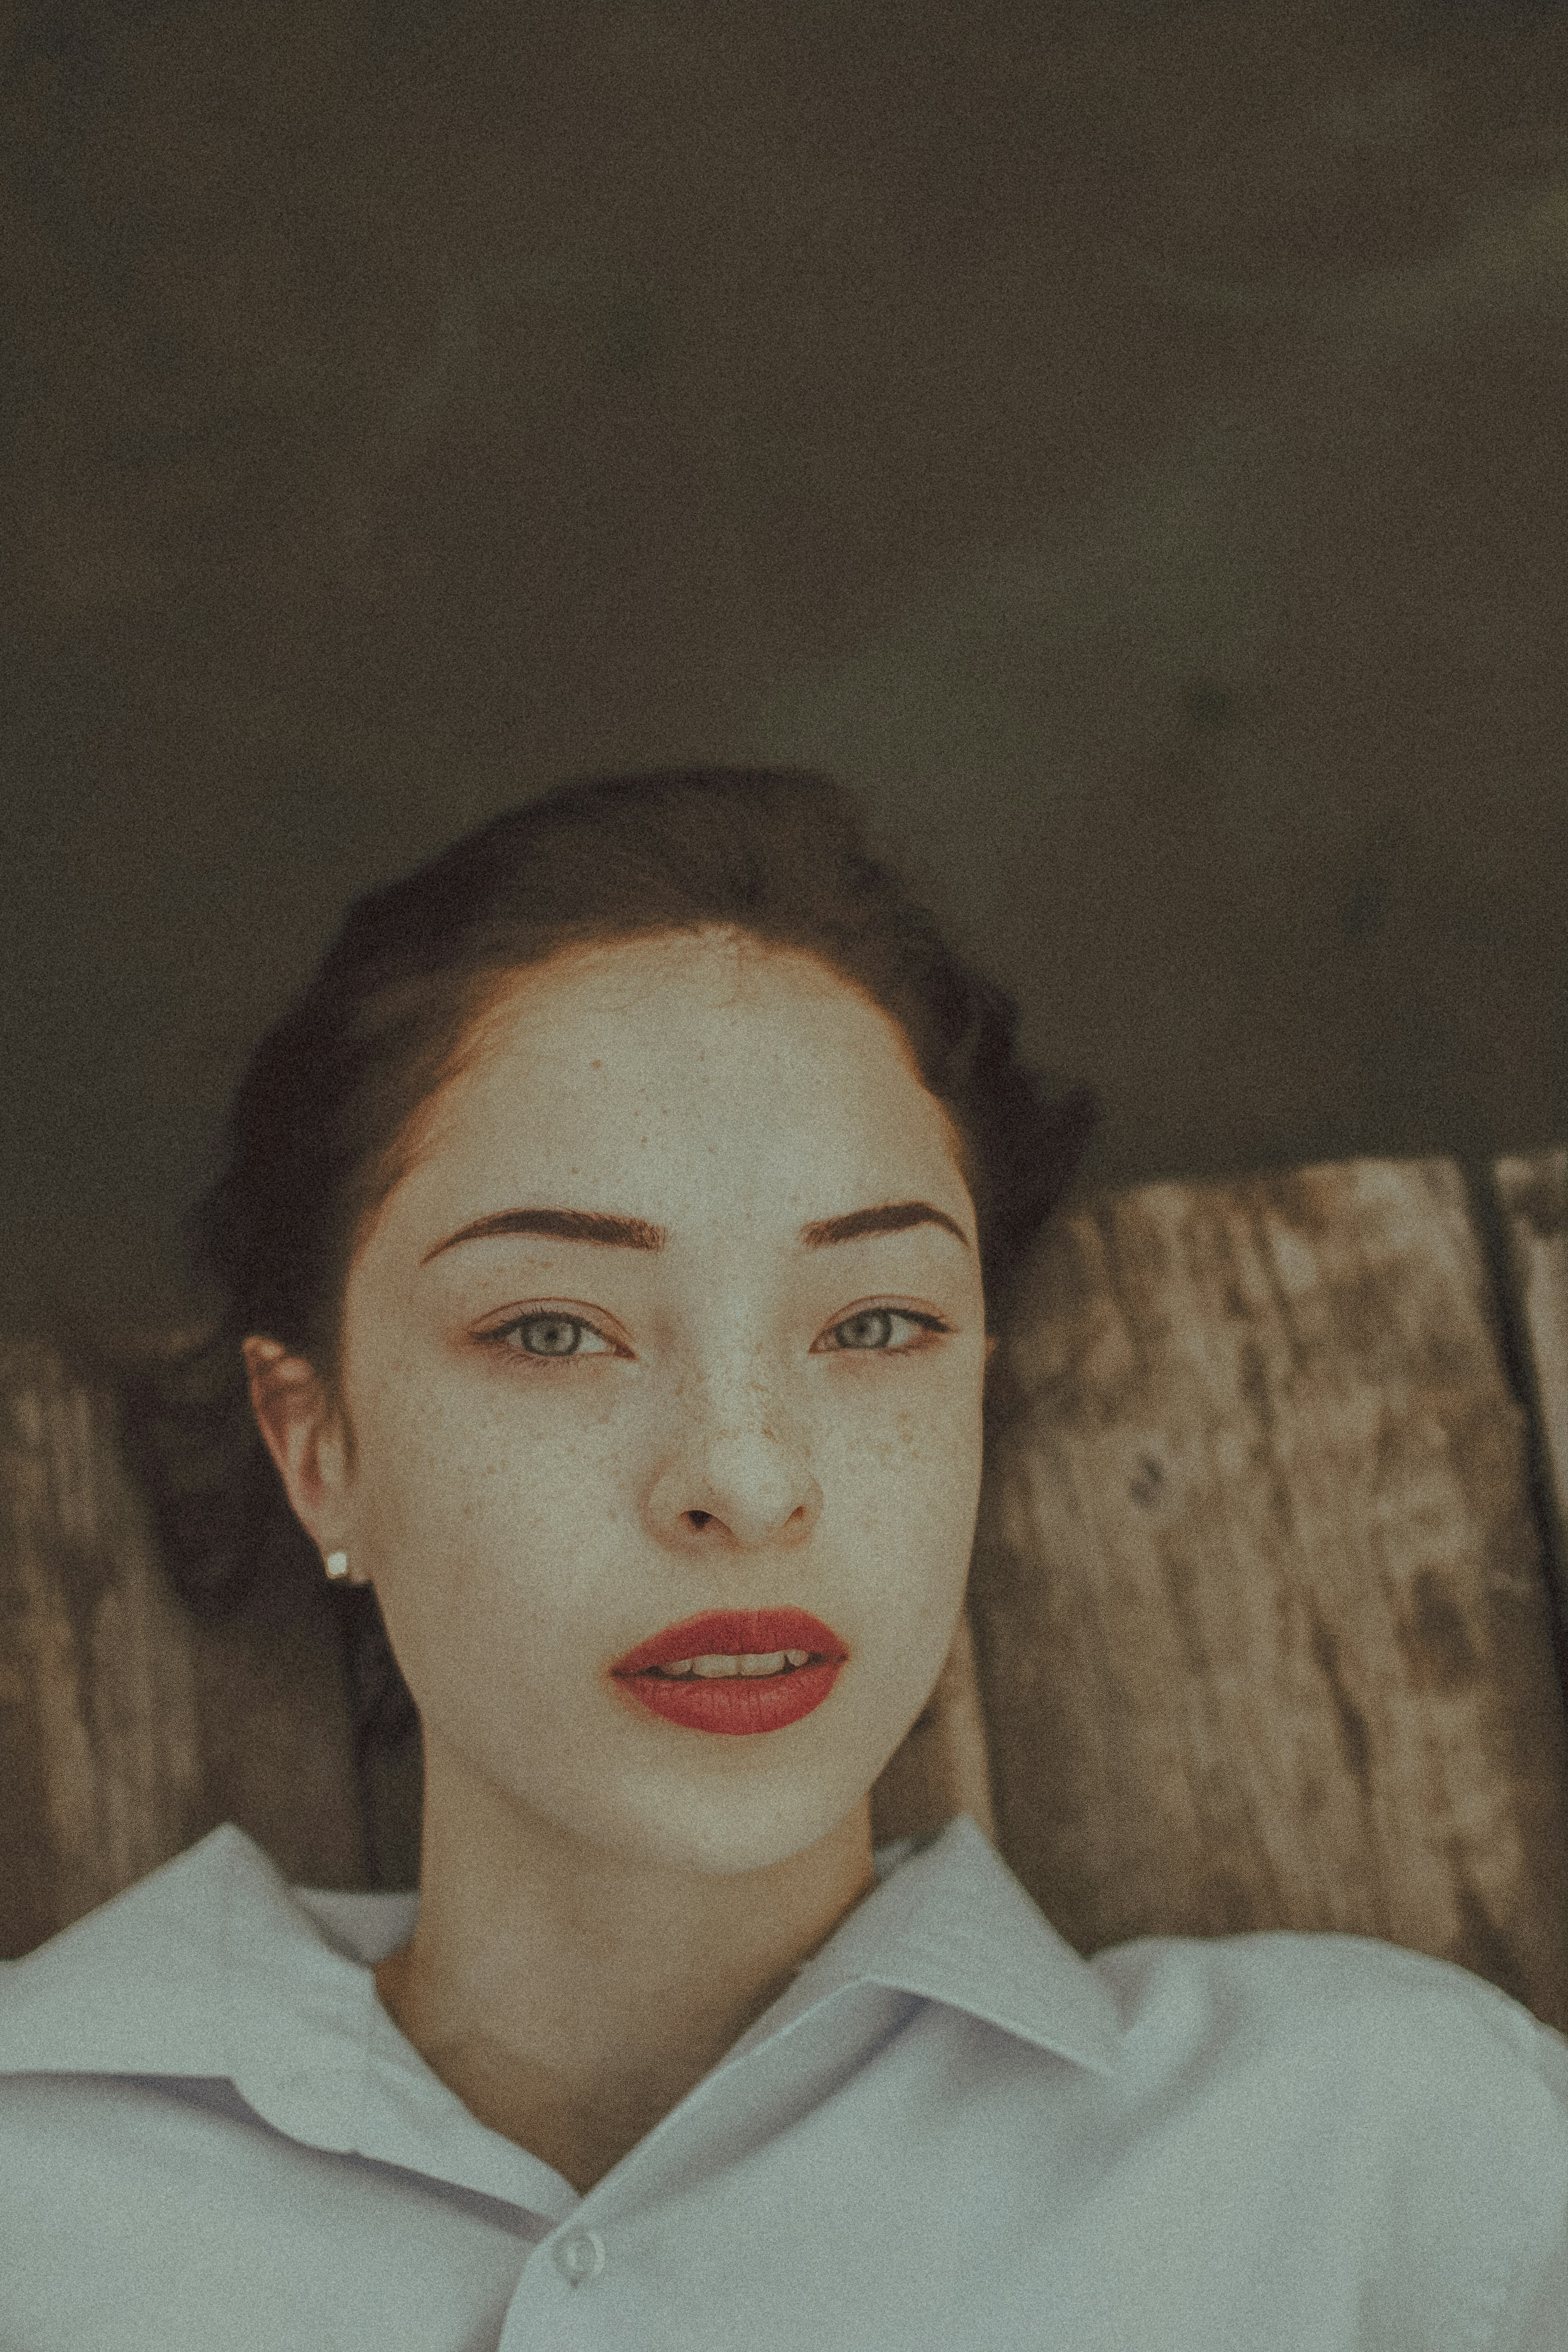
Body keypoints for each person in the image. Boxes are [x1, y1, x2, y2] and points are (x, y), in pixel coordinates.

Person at [1, 767, 1566, 2349]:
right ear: (318, 1446)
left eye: (875, 1323)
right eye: (555, 1328)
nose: (746, 1483)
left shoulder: (1401, 2171)